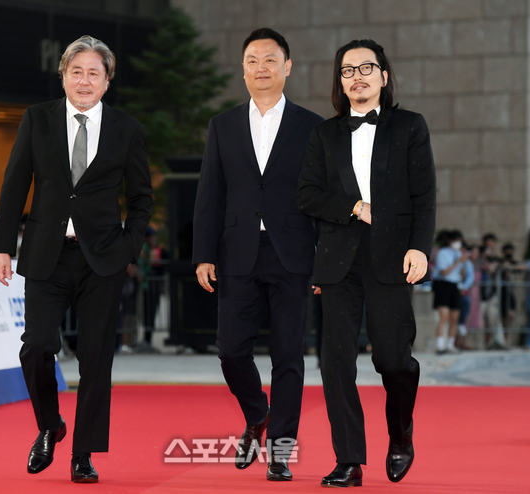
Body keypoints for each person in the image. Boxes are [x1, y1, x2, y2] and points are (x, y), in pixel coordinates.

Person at [0, 35, 153, 484]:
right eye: (76, 71)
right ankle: (50, 425)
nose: (84, 80)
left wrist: (128, 248)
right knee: (37, 346)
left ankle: (83, 453)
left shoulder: (126, 128)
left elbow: (142, 198)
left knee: (96, 360)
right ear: (63, 75)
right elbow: (14, 184)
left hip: (103, 259)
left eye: (93, 73)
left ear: (107, 81)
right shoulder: (37, 118)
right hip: (47, 254)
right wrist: (2, 245)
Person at [296, 39, 436, 486]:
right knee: (335, 364)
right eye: (347, 71)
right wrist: (355, 207)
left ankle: (401, 433)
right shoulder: (325, 134)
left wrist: (420, 247)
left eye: (365, 68)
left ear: (383, 75)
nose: (356, 77)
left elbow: (424, 194)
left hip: (392, 259)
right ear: (339, 82)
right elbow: (306, 195)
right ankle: (349, 460)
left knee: (393, 360)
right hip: (338, 263)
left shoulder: (410, 126)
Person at [192, 28, 323, 482]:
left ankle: (281, 450)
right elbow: (210, 193)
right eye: (252, 60)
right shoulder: (222, 125)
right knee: (231, 351)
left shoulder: (312, 127)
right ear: (243, 69)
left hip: (293, 255)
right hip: (237, 254)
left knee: (288, 356)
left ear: (287, 67)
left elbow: (321, 197)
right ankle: (257, 414)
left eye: (270, 59)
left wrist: (324, 261)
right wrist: (203, 254)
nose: (261, 67)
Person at [432, 230, 468, 354]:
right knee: (444, 317)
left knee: (454, 318)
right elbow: (444, 272)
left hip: (455, 285)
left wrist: (463, 263)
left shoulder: (459, 253)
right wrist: (458, 262)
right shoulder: (443, 253)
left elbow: (462, 274)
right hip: (443, 285)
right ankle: (440, 345)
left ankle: (450, 345)